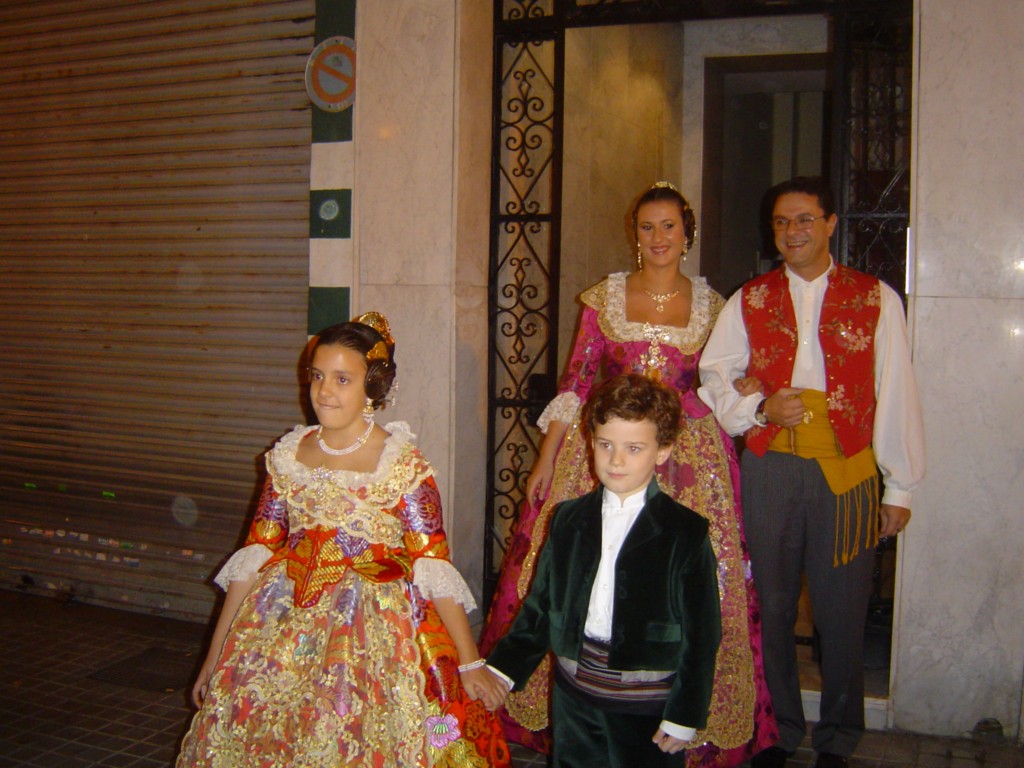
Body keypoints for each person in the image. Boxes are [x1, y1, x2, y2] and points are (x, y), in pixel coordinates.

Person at [478, 182, 778, 765]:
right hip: (609, 446)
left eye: (669, 226)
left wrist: (746, 383)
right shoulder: (605, 298)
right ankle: (581, 687)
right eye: (647, 226)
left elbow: (724, 376)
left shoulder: (717, 306)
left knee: (688, 582)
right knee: (582, 569)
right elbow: (575, 383)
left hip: (687, 455)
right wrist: (546, 457)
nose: (658, 237)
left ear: (687, 234)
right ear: (634, 234)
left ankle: (681, 708)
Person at [176, 314, 510, 768]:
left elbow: (433, 564)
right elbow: (255, 555)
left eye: (342, 379)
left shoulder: (400, 463)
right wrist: (215, 655)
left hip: (377, 634)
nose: (324, 391)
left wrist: (469, 663)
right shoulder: (288, 455)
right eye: (317, 376)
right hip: (280, 622)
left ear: (373, 386)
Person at [697, 176, 925, 768]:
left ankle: (839, 738)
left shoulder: (876, 298)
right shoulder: (750, 299)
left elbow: (896, 391)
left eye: (804, 219)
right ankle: (779, 730)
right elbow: (714, 373)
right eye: (781, 222)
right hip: (771, 466)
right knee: (771, 605)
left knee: (841, 609)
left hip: (847, 470)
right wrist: (758, 408)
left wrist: (899, 485)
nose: (792, 231)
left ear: (829, 224)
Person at [484, 374, 722, 768]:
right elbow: (541, 606)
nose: (616, 460)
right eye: (606, 444)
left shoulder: (685, 531)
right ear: (591, 441)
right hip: (574, 698)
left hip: (646, 705)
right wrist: (502, 670)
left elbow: (703, 633)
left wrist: (684, 714)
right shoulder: (567, 519)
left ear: (662, 451)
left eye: (634, 448)